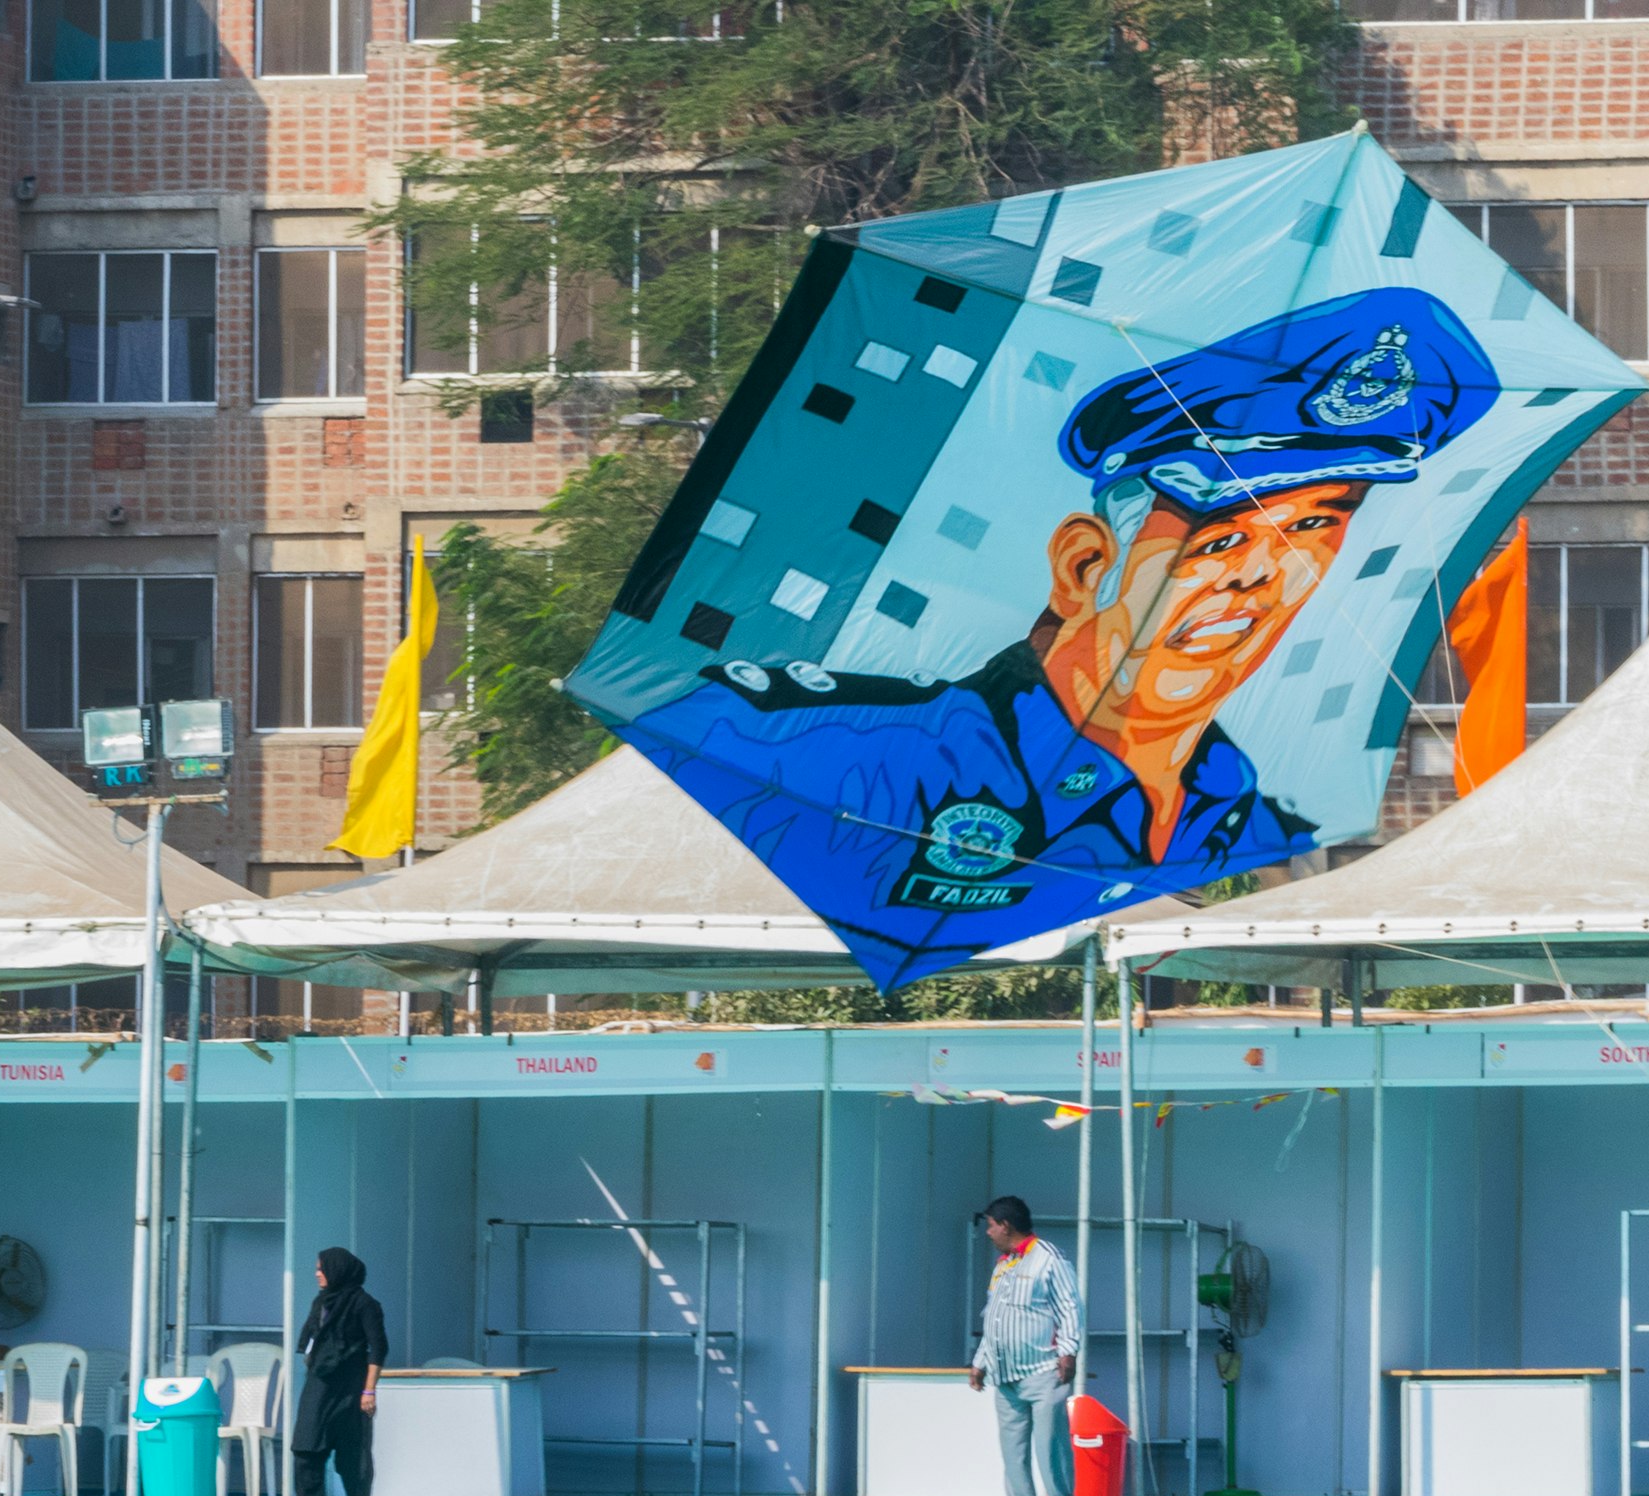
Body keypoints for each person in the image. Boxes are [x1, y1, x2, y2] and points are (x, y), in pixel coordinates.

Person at [631, 288, 1498, 985]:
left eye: (1312, 529)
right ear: (1085, 567)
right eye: (1218, 537)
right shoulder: (815, 744)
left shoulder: (1249, 813)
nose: (1260, 579)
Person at [967, 1196, 1083, 1496]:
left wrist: (1069, 1351)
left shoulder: (1048, 1259)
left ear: (1005, 1225)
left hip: (1043, 1370)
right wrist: (980, 1362)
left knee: (1051, 1446)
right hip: (1006, 1374)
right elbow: (995, 1317)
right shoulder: (1004, 1265)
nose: (988, 1232)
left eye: (990, 1225)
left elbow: (1070, 1307)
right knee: (1013, 1450)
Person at [284, 1247, 387, 1496]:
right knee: (306, 1442)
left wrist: (369, 1390)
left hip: (352, 1386)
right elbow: (312, 1340)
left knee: (354, 1450)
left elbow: (377, 1349)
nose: (317, 1274)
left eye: (322, 1268)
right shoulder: (322, 1303)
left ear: (337, 1270)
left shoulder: (365, 1304)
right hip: (319, 1383)